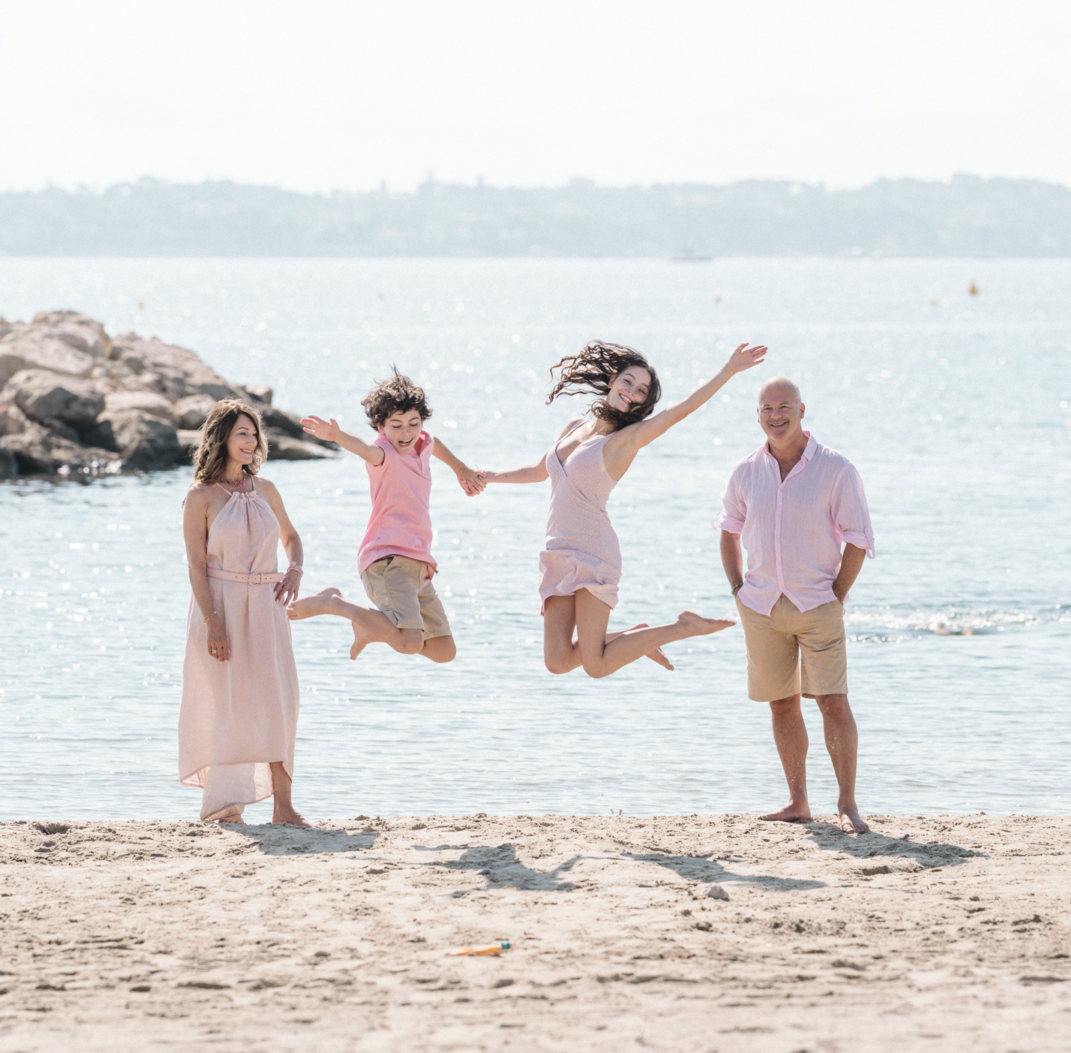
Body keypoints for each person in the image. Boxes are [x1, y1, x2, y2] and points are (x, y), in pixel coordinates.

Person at [481, 339, 767, 677]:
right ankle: (637, 638)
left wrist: (728, 370)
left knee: (596, 665)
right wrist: (488, 476)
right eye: (628, 381)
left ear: (643, 404)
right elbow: (539, 472)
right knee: (556, 660)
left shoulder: (626, 441)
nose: (632, 391)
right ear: (613, 380)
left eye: (642, 391)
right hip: (557, 550)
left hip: (593, 552)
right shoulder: (575, 427)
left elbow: (682, 409)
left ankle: (682, 627)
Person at [718, 376, 874, 834]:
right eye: (766, 408)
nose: (775, 415)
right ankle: (798, 801)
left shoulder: (836, 469)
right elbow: (727, 530)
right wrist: (737, 590)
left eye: (784, 406)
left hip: (817, 603)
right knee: (781, 705)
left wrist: (837, 596)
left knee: (832, 701)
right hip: (762, 607)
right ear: (758, 415)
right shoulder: (746, 471)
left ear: (803, 410)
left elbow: (859, 540)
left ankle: (847, 804)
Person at [288, 370, 484, 660]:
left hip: (418, 563)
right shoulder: (384, 454)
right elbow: (364, 450)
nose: (406, 432)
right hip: (387, 560)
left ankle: (371, 628)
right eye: (396, 425)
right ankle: (335, 603)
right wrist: (337, 436)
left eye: (413, 423)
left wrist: (462, 470)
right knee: (409, 643)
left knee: (444, 651)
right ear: (381, 427)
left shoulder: (423, 444)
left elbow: (434, 443)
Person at [179, 399, 309, 826]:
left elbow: (292, 537)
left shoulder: (267, 489)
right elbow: (197, 567)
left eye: (254, 433)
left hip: (268, 606)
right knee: (229, 705)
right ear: (221, 438)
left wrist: (294, 570)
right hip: (221, 607)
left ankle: (283, 808)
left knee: (280, 701)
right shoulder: (200, 497)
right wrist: (214, 622)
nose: (251, 441)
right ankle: (225, 805)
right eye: (242, 433)